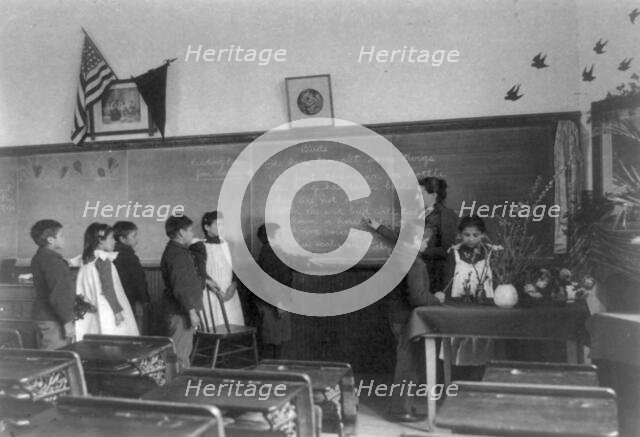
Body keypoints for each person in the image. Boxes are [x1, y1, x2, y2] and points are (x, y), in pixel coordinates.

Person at [387, 223, 445, 421]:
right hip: (406, 320)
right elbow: (418, 299)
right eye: (424, 240)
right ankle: (400, 410)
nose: (427, 244)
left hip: (397, 317)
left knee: (407, 363)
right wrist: (437, 299)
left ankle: (404, 407)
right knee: (408, 365)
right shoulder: (415, 262)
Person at [363, 177, 457, 292]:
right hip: (419, 272)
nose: (417, 197)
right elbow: (403, 240)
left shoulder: (446, 215)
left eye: (420, 193)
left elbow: (447, 250)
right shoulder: (423, 214)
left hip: (434, 275)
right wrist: (378, 227)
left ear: (434, 195)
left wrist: (419, 251)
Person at [444, 215, 501, 374]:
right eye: (466, 235)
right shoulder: (454, 253)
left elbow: (496, 279)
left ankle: (481, 374)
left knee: (482, 340)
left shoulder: (491, 252)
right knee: (459, 340)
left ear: (483, 234)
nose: (471, 239)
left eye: (475, 235)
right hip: (460, 306)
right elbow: (448, 281)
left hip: (485, 306)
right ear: (460, 235)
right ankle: (457, 376)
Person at [75, 223, 139, 339]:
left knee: (97, 333)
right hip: (109, 307)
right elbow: (108, 288)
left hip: (93, 308)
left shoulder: (86, 261)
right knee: (117, 335)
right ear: (100, 240)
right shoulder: (103, 260)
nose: (114, 241)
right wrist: (117, 311)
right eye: (111, 238)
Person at [189, 211, 244, 331]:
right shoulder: (198, 246)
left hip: (229, 292)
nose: (222, 228)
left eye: (223, 224)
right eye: (218, 225)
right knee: (215, 326)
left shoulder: (229, 244)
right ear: (207, 227)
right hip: (211, 293)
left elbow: (235, 270)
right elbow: (200, 272)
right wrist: (218, 291)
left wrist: (232, 287)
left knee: (232, 325)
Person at [160, 215, 203, 369]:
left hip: (181, 310)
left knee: (181, 353)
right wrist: (191, 312)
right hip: (181, 313)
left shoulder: (177, 251)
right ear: (180, 232)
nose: (192, 234)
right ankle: (178, 390)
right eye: (190, 230)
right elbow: (181, 286)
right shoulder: (177, 254)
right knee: (179, 356)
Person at [30, 220, 75, 349]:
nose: (64, 239)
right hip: (52, 318)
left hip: (43, 315)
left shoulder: (40, 256)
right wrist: (67, 322)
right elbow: (59, 295)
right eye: (61, 236)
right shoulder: (53, 261)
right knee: (56, 359)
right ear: (51, 239)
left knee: (50, 357)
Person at [255, 223, 292, 359]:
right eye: (279, 235)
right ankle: (271, 370)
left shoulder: (275, 252)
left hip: (277, 301)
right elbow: (268, 283)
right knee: (272, 339)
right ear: (270, 237)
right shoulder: (269, 254)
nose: (282, 237)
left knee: (278, 338)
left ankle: (277, 368)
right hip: (272, 303)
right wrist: (279, 303)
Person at [112, 221, 151, 334]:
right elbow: (137, 282)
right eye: (133, 236)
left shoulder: (116, 255)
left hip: (125, 301)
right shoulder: (128, 257)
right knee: (136, 331)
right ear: (122, 239)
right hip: (133, 301)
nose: (137, 239)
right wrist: (142, 300)